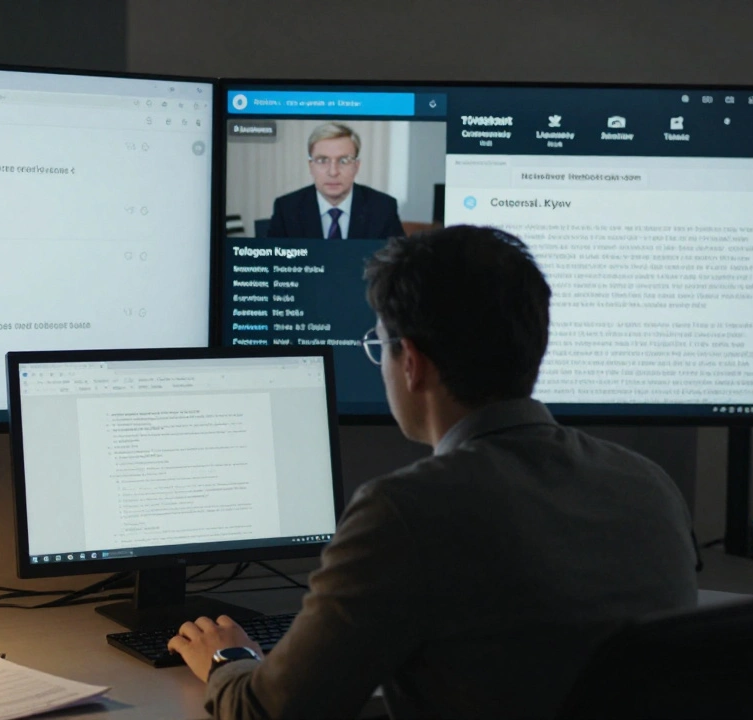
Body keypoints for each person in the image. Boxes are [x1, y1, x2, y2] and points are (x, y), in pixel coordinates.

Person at [168, 226, 700, 719]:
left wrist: (229, 656)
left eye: (379, 346)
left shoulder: (404, 512)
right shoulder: (647, 483)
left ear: (411, 363)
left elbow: (271, 713)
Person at [265, 122, 405, 240]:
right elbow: (274, 266)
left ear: (356, 166)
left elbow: (398, 266)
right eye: (322, 160)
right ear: (311, 166)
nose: (333, 172)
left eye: (344, 161)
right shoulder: (287, 208)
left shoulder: (383, 208)